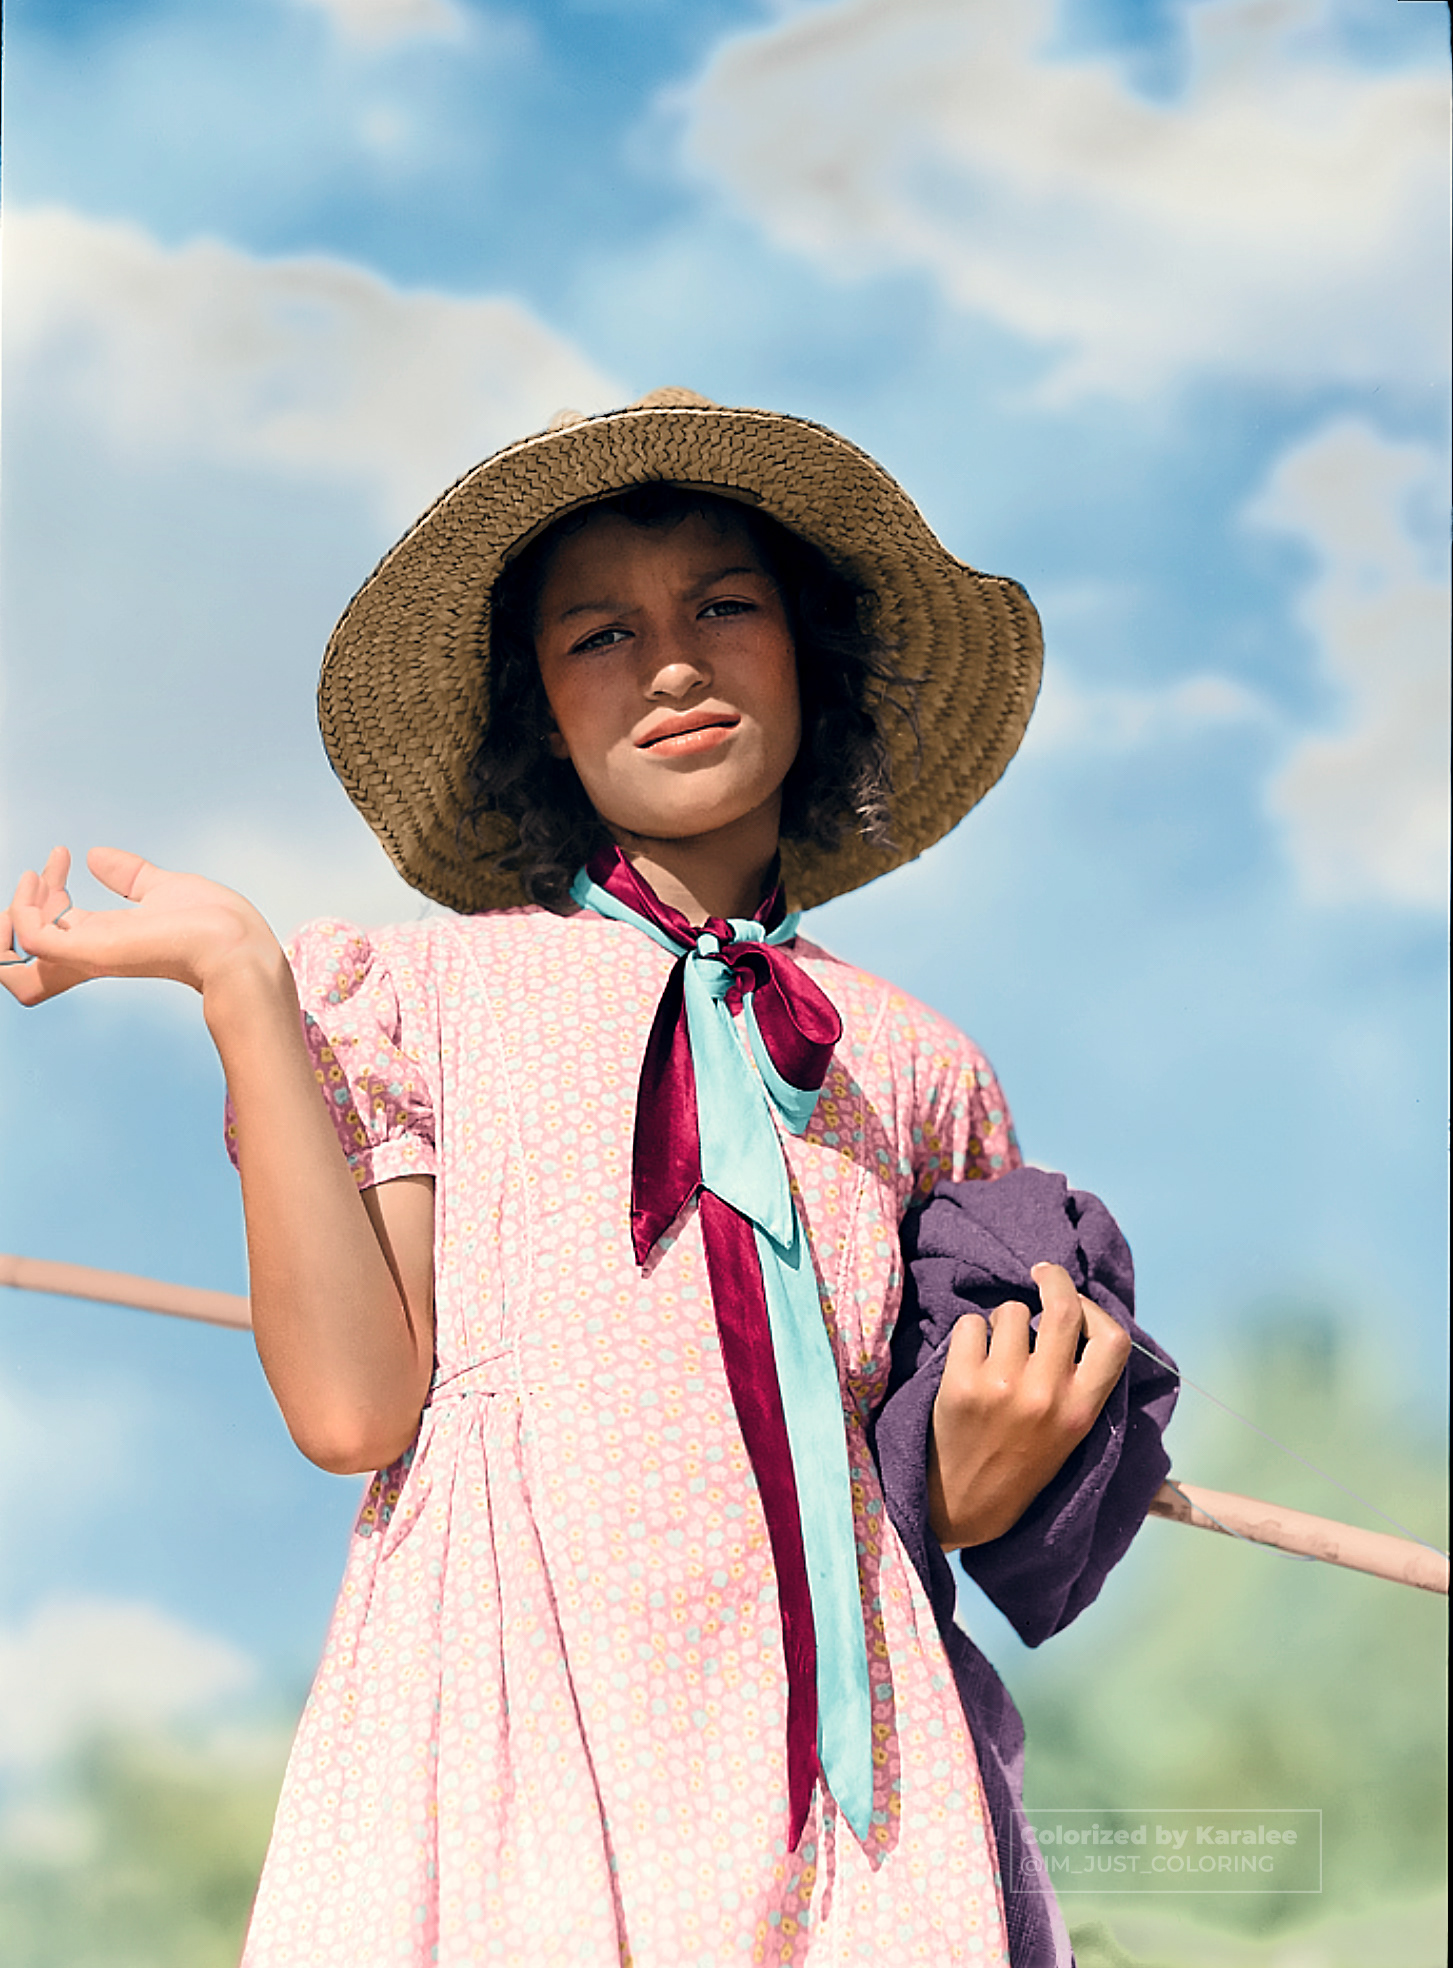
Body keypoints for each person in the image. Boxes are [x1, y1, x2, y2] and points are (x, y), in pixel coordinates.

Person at [3, 389, 1167, 1966]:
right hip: (510, 1725)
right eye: (597, 635)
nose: (673, 663)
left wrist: (980, 1471)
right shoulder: (403, 995)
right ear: (534, 710)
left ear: (807, 656)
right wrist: (239, 985)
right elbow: (353, 1410)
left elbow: (952, 1460)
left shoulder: (915, 1061)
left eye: (725, 605)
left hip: (847, 1768)